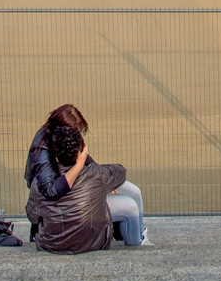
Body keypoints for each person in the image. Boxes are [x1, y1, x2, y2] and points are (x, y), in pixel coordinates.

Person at [24, 104, 150, 251]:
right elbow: (51, 190)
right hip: (65, 204)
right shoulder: (43, 152)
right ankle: (137, 243)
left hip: (74, 194)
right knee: (130, 206)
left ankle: (140, 236)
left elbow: (32, 211)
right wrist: (84, 169)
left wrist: (103, 183)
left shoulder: (61, 141)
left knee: (132, 191)